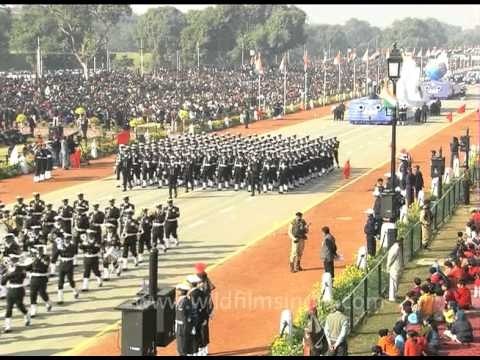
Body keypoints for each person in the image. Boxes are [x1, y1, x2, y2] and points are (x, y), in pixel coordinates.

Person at [2, 256, 31, 332]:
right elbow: (3, 283)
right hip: (11, 290)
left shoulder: (20, 269)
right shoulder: (8, 270)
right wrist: (5, 274)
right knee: (9, 308)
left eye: (13, 260)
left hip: (19, 289)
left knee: (19, 306)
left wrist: (9, 273)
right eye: (11, 261)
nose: (11, 262)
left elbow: (21, 277)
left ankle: (26, 314)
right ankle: (8, 327)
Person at [27, 245, 53, 317]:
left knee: (42, 293)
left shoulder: (46, 257)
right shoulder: (33, 258)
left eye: (40, 250)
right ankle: (33, 310)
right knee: (32, 294)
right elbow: (28, 267)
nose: (39, 252)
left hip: (42, 277)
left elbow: (45, 265)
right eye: (38, 250)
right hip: (33, 277)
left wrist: (37, 258)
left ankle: (48, 302)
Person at [56, 234, 80, 304]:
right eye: (65, 239)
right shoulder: (60, 246)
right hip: (62, 264)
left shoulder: (73, 246)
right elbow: (56, 255)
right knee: (60, 281)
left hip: (69, 264)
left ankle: (75, 290)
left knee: (70, 280)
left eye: (68, 239)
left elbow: (74, 253)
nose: (66, 240)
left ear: (70, 239)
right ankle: (60, 298)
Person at [175, 283, 194, 356]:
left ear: (182, 292)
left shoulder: (186, 302)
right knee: (180, 346)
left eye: (179, 290)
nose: (177, 292)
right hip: (179, 325)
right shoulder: (180, 300)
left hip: (183, 327)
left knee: (182, 347)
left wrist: (187, 327)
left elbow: (188, 316)